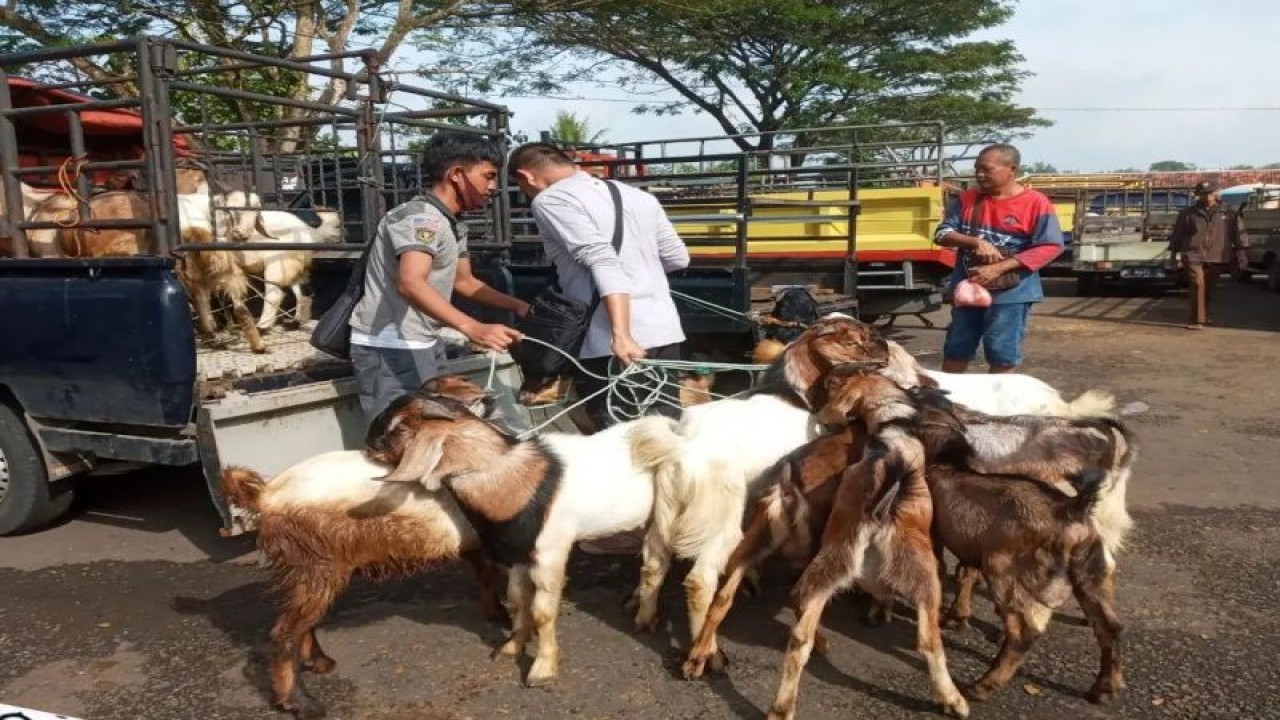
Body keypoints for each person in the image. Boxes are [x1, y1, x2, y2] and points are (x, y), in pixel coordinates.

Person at [508, 142, 691, 432]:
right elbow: (678, 258)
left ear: (526, 176)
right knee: (666, 429)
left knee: (621, 438)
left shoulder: (550, 200)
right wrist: (639, 277)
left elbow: (602, 259)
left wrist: (622, 334)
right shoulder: (637, 196)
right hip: (662, 330)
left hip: (610, 342)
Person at [349, 131, 529, 423]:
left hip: (423, 341)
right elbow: (410, 282)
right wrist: (471, 326)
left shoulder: (450, 223)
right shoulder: (421, 219)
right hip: (391, 346)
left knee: (439, 433)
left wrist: (517, 305)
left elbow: (465, 282)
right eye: (488, 176)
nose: (493, 187)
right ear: (457, 174)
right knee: (401, 440)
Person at [933, 143, 1064, 374]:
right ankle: (948, 402)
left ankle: (998, 406)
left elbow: (1051, 245)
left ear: (1011, 169)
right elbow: (942, 234)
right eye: (977, 169)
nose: (979, 174)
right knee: (956, 346)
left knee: (1001, 350)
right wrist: (974, 242)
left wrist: (1000, 267)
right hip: (968, 290)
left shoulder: (1035, 203)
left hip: (1012, 292)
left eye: (986, 169)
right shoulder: (967, 199)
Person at [1168, 180, 1244, 330]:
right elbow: (1178, 234)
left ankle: (1204, 315)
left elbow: (1239, 233)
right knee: (1198, 284)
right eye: (1203, 194)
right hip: (1192, 253)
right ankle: (1197, 320)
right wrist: (1173, 256)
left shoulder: (1228, 213)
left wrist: (1242, 253)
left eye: (1210, 193)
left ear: (1215, 193)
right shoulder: (1188, 213)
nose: (1207, 197)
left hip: (1217, 255)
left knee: (1207, 287)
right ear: (1198, 196)